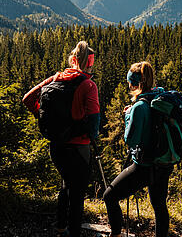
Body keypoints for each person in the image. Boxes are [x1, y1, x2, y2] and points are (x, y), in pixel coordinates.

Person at [22, 41, 100, 237]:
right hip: (78, 148)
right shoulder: (88, 85)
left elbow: (28, 99)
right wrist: (90, 136)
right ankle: (73, 233)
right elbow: (94, 121)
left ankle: (60, 228)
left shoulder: (56, 78)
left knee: (66, 185)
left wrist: (42, 116)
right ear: (89, 63)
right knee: (77, 194)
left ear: (72, 59)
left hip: (56, 146)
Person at [100, 61, 173, 237]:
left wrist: (127, 116)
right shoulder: (160, 95)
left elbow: (130, 139)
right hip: (164, 162)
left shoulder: (139, 107)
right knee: (159, 205)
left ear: (135, 84)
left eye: (129, 83)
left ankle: (115, 234)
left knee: (109, 196)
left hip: (144, 165)